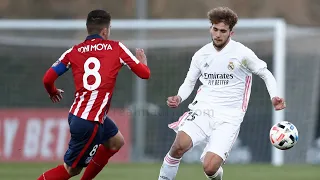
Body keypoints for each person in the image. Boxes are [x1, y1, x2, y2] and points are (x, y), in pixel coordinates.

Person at [158, 6, 285, 180]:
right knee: (179, 145)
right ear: (210, 28)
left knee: (210, 168)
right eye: (215, 29)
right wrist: (179, 97)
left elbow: (266, 74)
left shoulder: (242, 54)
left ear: (231, 33)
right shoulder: (201, 55)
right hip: (203, 110)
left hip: (229, 117)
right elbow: (189, 83)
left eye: (223, 31)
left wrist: (274, 96)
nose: (217, 34)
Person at [38, 9, 150, 180]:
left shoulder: (74, 51)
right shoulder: (116, 48)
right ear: (105, 31)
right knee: (71, 169)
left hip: (81, 114)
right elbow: (144, 74)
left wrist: (52, 91)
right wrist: (143, 63)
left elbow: (47, 78)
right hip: (89, 122)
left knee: (115, 141)